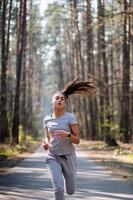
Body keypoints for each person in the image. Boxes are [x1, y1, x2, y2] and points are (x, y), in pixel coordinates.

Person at [43, 77, 96, 200]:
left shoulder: (70, 118)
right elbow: (47, 138)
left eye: (62, 99)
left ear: (65, 103)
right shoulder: (47, 119)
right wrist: (45, 143)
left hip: (68, 157)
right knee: (58, 189)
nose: (59, 100)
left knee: (71, 191)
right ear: (52, 102)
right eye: (57, 98)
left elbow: (77, 140)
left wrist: (68, 135)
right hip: (53, 157)